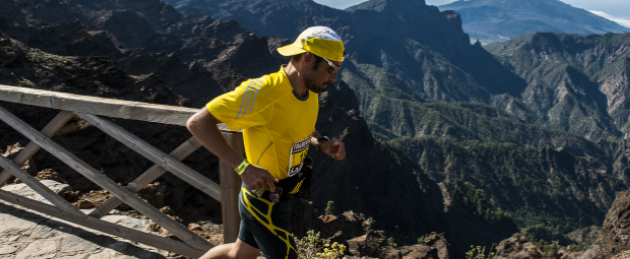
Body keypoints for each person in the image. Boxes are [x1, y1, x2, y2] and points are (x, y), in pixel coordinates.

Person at [186, 26, 347, 259]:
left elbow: (296, 122)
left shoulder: (309, 89)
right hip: (262, 201)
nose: (334, 77)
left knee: (238, 254)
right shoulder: (263, 92)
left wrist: (320, 141)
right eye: (330, 68)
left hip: (283, 195)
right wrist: (243, 167)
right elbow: (197, 123)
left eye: (338, 69)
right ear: (308, 58)